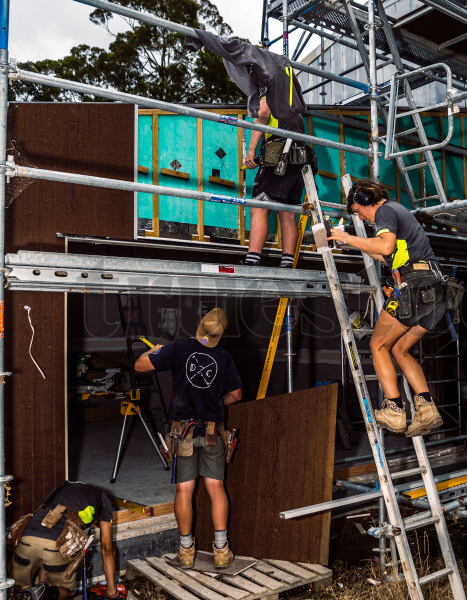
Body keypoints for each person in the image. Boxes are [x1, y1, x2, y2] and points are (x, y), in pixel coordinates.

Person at [328, 180, 445, 437]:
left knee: (378, 346)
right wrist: (353, 244)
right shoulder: (397, 211)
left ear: (366, 200)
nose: (362, 217)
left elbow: (384, 246)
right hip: (435, 291)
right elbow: (386, 255)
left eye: (358, 210)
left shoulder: (385, 211)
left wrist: (348, 236)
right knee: (400, 349)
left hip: (415, 287)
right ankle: (426, 409)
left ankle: (394, 409)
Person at [134, 308, 243, 569]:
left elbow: (139, 365)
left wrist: (154, 350)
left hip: (183, 433)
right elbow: (236, 395)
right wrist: (216, 401)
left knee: (184, 489)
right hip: (212, 432)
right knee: (216, 487)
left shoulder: (178, 348)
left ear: (200, 326)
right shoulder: (224, 357)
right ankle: (221, 550)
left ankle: (185, 551)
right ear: (219, 335)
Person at [9, 482, 117, 600]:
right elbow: (107, 551)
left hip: (25, 540)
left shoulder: (60, 489)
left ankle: (32, 593)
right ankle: (42, 594)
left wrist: (42, 582)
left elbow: (44, 529)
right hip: (53, 546)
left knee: (19, 592)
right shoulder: (103, 499)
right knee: (64, 593)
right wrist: (111, 592)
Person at [242, 94, 307, 268]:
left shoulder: (271, 88)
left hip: (279, 154)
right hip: (300, 157)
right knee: (287, 211)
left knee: (259, 206)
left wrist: (251, 151)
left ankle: (252, 260)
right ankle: (287, 262)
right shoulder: (292, 100)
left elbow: (262, 113)